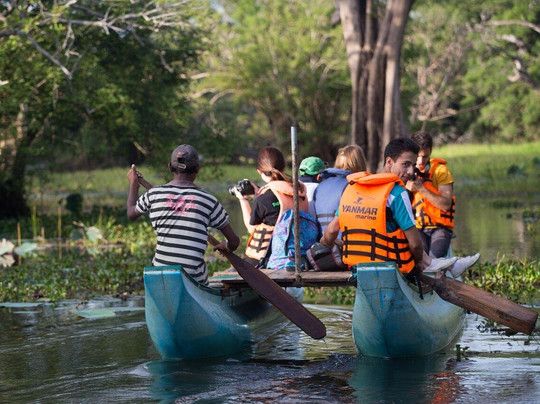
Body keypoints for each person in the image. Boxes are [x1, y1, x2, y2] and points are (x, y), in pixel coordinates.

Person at [320, 138, 479, 277]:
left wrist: (321, 247)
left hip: (357, 266)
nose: (410, 171)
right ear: (389, 162)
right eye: (405, 165)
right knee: (410, 241)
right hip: (390, 267)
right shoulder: (397, 193)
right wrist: (419, 263)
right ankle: (435, 265)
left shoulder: (352, 189)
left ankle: (445, 264)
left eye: (412, 165)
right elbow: (415, 245)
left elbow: (331, 232)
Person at [126, 144, 240, 285]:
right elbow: (234, 242)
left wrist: (133, 184)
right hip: (194, 278)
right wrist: (226, 246)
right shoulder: (209, 200)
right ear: (197, 168)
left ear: (169, 167)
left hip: (161, 275)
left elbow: (131, 213)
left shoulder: (154, 194)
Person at [233, 146, 308, 266]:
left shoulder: (263, 198)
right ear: (283, 167)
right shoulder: (299, 190)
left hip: (270, 256)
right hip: (298, 253)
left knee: (238, 268)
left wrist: (243, 200)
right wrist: (258, 194)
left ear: (259, 171)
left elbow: (251, 228)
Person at [406, 131, 455, 258]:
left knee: (433, 258)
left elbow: (445, 205)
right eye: (418, 156)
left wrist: (421, 188)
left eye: (425, 156)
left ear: (431, 151)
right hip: (417, 227)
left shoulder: (440, 171)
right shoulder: (404, 171)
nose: (421, 161)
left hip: (439, 227)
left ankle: (442, 271)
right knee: (420, 256)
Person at [313, 145, 367, 234]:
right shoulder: (353, 186)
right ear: (360, 163)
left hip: (322, 244)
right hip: (344, 243)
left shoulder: (320, 186)